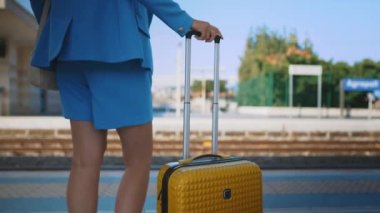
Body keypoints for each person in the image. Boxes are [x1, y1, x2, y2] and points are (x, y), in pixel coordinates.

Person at [29, 0, 222, 212]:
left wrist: (58, 24)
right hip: (120, 46)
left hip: (69, 46)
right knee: (138, 161)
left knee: (85, 161)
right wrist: (185, 21)